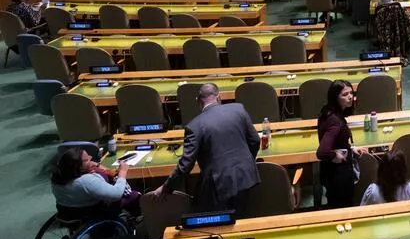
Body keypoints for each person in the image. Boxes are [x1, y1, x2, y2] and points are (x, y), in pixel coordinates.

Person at [149, 82, 260, 211]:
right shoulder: (238, 109)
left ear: (198, 101)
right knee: (243, 214)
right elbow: (255, 141)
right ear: (219, 96)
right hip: (247, 176)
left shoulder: (194, 126)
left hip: (219, 185)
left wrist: (166, 187)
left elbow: (185, 165)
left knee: (206, 211)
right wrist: (246, 162)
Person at [316, 80, 370, 208]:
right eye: (345, 94)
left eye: (351, 93)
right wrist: (335, 156)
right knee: (342, 208)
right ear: (335, 98)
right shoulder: (335, 121)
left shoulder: (328, 113)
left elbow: (337, 142)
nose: (350, 97)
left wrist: (350, 149)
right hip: (338, 176)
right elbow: (322, 152)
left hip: (331, 173)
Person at [51, 146, 137, 220]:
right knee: (135, 197)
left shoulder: (57, 177)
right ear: (78, 166)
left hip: (66, 213)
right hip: (92, 213)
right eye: (87, 160)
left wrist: (94, 166)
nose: (91, 158)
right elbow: (117, 194)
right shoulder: (87, 181)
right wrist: (122, 172)